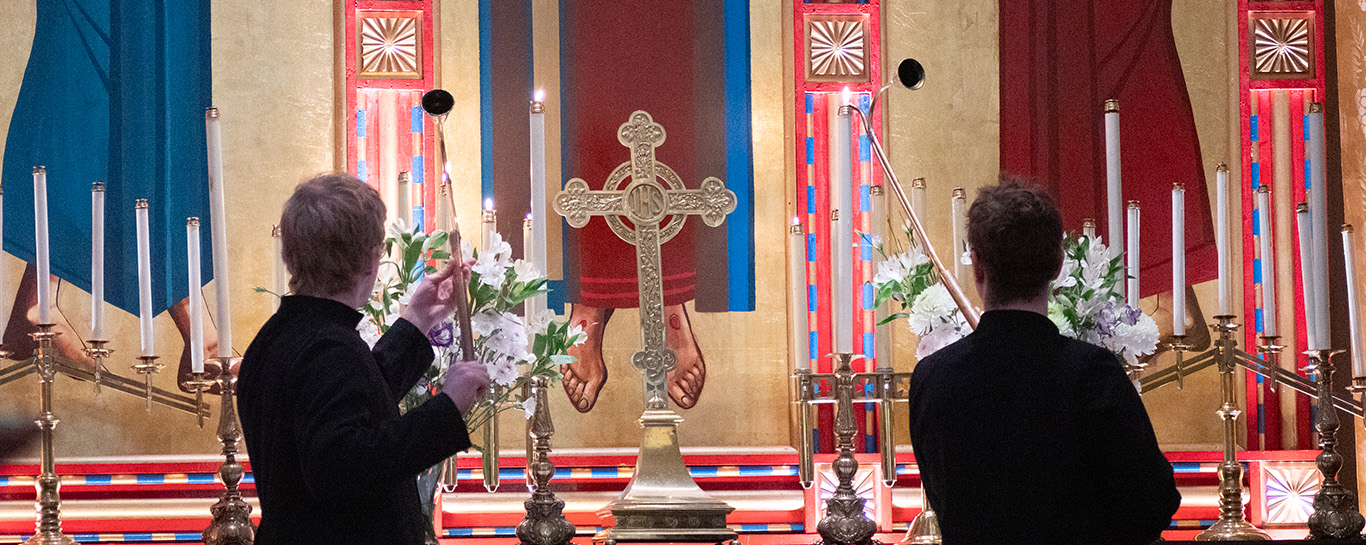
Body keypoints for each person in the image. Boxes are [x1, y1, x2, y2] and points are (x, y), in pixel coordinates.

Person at [907, 179, 1180, 545]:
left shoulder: (932, 377)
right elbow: (1153, 503)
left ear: (978, 268)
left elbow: (944, 499)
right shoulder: (1092, 374)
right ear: (1057, 264)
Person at [237, 173, 490, 544]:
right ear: (371, 259)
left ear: (288, 253)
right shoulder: (328, 347)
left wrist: (418, 319)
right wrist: (447, 407)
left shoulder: (278, 336)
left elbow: (356, 402)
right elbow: (343, 467)